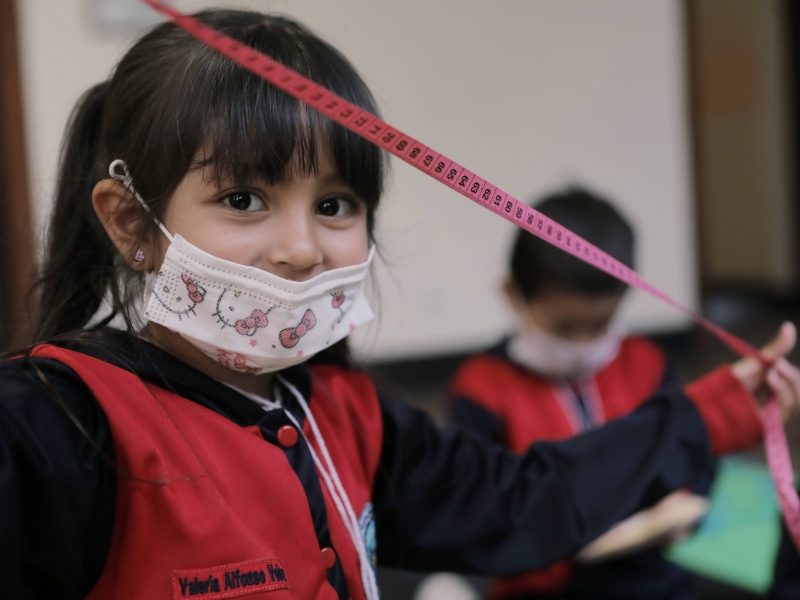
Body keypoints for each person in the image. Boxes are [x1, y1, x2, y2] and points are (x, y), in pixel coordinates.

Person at [1, 9, 799, 600]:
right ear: (135, 224)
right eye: (244, 198)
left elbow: (526, 501)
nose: (302, 248)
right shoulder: (59, 425)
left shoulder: (351, 412)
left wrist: (709, 412)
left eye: (336, 204)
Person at [447, 189, 760, 599]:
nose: (585, 344)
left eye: (602, 325)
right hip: (542, 582)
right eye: (565, 328)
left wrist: (684, 505)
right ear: (512, 295)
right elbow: (477, 510)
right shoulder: (481, 389)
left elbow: (693, 451)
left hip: (648, 571)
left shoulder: (646, 364)